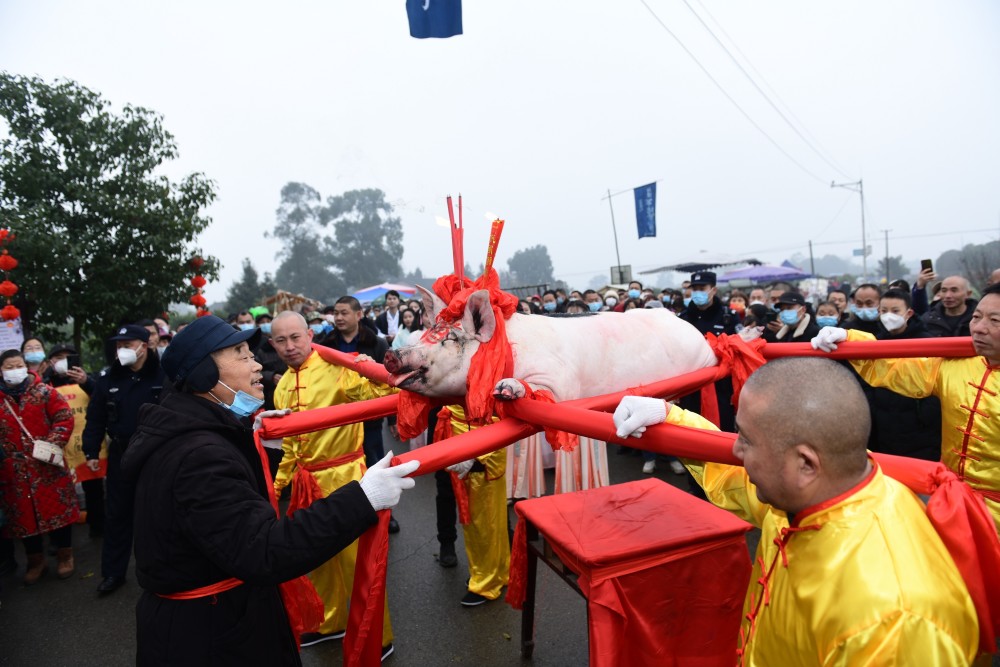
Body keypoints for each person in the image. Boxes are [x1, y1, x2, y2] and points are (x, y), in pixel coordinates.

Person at [612, 358, 979, 664]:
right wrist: (671, 417)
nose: (735, 451)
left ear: (805, 463)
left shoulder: (894, 619)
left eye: (746, 440)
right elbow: (733, 481)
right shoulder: (813, 495)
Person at [122, 314, 417, 666]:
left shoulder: (189, 432)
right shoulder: (199, 457)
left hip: (211, 618)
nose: (259, 364)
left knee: (353, 569)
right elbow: (264, 550)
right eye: (243, 355)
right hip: (212, 635)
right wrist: (363, 497)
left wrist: (245, 431)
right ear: (204, 374)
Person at [812, 282, 1000, 530]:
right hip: (954, 500)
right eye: (977, 317)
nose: (979, 328)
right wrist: (850, 339)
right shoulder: (955, 363)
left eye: (994, 321)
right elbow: (894, 366)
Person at [270, 311, 399, 651]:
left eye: (295, 337)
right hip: (306, 483)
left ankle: (378, 636)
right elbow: (290, 446)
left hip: (346, 478)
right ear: (272, 345)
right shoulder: (282, 386)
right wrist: (277, 485)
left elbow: (382, 391)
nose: (289, 346)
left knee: (357, 563)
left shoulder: (338, 368)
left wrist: (368, 367)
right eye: (281, 340)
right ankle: (331, 622)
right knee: (318, 559)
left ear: (309, 334)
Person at [82, 323, 166, 596]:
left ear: (145, 346)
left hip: (156, 454)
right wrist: (91, 451)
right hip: (121, 453)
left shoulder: (164, 375)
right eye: (119, 346)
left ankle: (161, 570)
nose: (123, 350)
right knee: (117, 516)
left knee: (159, 513)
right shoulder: (108, 380)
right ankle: (113, 573)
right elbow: (95, 418)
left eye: (128, 345)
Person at [321, 296, 401, 533]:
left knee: (375, 463)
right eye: (336, 313)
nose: (338, 317)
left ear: (358, 315)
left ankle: (385, 514)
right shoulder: (325, 344)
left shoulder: (376, 344)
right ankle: (349, 515)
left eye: (344, 313)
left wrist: (393, 419)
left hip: (368, 418)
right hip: (337, 418)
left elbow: (391, 381)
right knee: (343, 468)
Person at [0, 349, 77, 584]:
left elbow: (64, 417)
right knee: (23, 518)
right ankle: (36, 561)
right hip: (13, 472)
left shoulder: (44, 392)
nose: (15, 370)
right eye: (9, 367)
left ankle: (65, 556)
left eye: (18, 365)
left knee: (58, 511)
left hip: (46, 465)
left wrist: (51, 444)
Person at [441, 406, 510, 607]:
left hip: (483, 449)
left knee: (485, 522)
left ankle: (486, 582)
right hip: (467, 443)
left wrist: (477, 454)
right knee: (483, 520)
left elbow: (499, 412)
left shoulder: (489, 375)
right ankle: (491, 572)